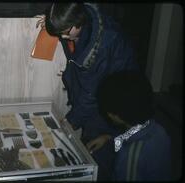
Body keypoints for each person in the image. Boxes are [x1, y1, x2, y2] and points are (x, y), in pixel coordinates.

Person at [36, 3, 139, 147]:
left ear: (78, 23)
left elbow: (90, 94)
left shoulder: (102, 47)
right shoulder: (80, 16)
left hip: (112, 102)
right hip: (97, 91)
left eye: (65, 32)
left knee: (98, 146)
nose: (63, 37)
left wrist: (70, 122)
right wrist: (53, 22)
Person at [87, 71, 171, 181]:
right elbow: (131, 136)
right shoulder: (157, 128)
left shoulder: (129, 156)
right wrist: (109, 138)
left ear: (115, 116)